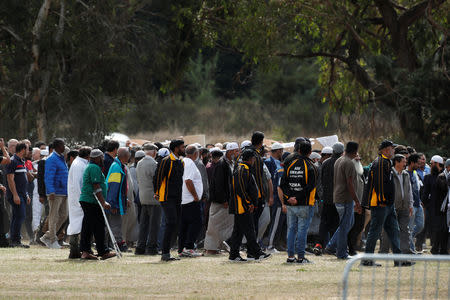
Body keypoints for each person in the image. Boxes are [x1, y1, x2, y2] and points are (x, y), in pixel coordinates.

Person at [362, 140, 413, 267]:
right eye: (391, 148)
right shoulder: (380, 163)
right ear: (385, 150)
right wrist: (382, 201)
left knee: (394, 231)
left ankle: (398, 259)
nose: (393, 150)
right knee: (374, 231)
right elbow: (379, 184)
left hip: (387, 205)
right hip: (381, 204)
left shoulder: (386, 162)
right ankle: (367, 260)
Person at [228, 149, 271, 262]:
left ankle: (234, 255)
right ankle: (256, 253)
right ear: (250, 159)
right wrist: (249, 202)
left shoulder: (244, 168)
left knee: (238, 231)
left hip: (243, 205)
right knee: (250, 230)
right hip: (242, 206)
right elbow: (240, 188)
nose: (254, 161)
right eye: (253, 158)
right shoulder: (243, 169)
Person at [280, 140, 318, 264]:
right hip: (305, 204)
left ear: (299, 151)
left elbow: (283, 184)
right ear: (310, 152)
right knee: (302, 231)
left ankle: (290, 257)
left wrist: (290, 198)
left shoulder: (290, 164)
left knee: (291, 229)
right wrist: (298, 198)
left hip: (291, 204)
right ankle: (301, 258)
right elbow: (310, 187)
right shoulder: (312, 166)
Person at [325, 142, 362, 259]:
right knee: (345, 226)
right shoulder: (349, 163)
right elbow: (350, 183)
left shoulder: (339, 160)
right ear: (355, 151)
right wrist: (356, 200)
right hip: (345, 198)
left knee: (347, 224)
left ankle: (331, 245)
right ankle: (341, 253)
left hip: (338, 197)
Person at [78, 149, 115, 260]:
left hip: (88, 200)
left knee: (88, 226)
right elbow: (96, 186)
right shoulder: (94, 167)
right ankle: (103, 251)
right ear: (97, 158)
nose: (103, 159)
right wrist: (103, 202)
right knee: (99, 226)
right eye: (101, 157)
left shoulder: (91, 166)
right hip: (91, 201)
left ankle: (85, 251)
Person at [154, 139, 185, 261]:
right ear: (176, 148)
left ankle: (168, 251)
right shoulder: (166, 161)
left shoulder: (181, 162)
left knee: (176, 223)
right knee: (171, 222)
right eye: (182, 147)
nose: (183, 149)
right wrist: (156, 192)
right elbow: (158, 177)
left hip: (177, 197)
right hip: (166, 197)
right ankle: (165, 253)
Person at [379, 154, 414, 254]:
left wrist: (410, 204)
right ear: (397, 162)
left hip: (404, 207)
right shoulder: (389, 174)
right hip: (391, 207)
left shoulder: (406, 174)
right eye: (403, 161)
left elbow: (409, 190)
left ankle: (405, 252)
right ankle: (383, 251)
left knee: (405, 230)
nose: (405, 163)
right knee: (387, 230)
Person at [314, 142, 343, 255]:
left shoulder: (325, 163)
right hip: (337, 198)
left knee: (324, 223)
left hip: (326, 199)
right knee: (335, 223)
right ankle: (332, 247)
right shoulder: (341, 162)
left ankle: (319, 245)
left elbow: (320, 181)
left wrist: (322, 196)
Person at [204, 145, 235, 255]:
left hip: (220, 200)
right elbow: (220, 184)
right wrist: (224, 200)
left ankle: (215, 247)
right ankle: (211, 249)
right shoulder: (222, 165)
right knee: (214, 226)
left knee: (218, 226)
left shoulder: (221, 164)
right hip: (220, 201)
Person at [41, 138, 69, 249]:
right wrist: (51, 190)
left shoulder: (61, 158)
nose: (64, 147)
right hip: (55, 192)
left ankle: (47, 236)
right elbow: (48, 176)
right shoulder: (51, 159)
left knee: (63, 215)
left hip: (63, 191)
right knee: (53, 216)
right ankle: (52, 240)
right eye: (63, 145)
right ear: (57, 147)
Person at [178, 145, 204, 257]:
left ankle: (181, 248)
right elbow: (188, 181)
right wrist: (195, 196)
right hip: (190, 199)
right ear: (195, 154)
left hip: (184, 199)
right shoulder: (189, 163)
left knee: (184, 225)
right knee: (196, 224)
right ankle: (188, 247)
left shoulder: (183, 161)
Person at [67, 147, 91, 259]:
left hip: (79, 199)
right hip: (79, 200)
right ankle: (75, 251)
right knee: (77, 225)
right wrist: (81, 200)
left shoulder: (80, 163)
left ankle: (79, 250)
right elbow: (77, 184)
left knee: (79, 225)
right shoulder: (78, 165)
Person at [135, 144, 160, 255]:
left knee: (143, 224)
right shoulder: (154, 164)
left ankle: (140, 247)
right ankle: (151, 248)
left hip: (142, 197)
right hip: (153, 198)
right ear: (154, 152)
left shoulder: (139, 163)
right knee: (154, 225)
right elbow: (157, 181)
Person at [105, 147, 131, 252]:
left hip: (115, 201)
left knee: (114, 224)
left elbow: (120, 188)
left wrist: (125, 199)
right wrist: (113, 204)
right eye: (128, 156)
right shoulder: (116, 167)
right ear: (124, 156)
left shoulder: (119, 165)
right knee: (116, 224)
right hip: (112, 202)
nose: (129, 157)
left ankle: (113, 244)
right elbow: (113, 187)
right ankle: (118, 245)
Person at [5, 142, 30, 248]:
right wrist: (15, 195)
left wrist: (27, 194)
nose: (29, 151)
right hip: (16, 195)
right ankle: (15, 240)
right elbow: (10, 179)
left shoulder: (22, 161)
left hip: (22, 194)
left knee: (17, 216)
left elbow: (23, 180)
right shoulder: (13, 161)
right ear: (23, 149)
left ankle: (14, 240)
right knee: (20, 216)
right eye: (28, 149)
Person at [422, 155, 448, 254]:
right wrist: (426, 204)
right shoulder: (428, 177)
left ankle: (443, 249)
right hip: (433, 208)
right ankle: (435, 248)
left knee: (444, 229)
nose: (430, 165)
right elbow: (425, 193)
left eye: (432, 163)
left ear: (437, 164)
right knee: (436, 229)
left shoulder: (445, 176)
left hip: (445, 207)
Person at [265, 142, 286, 252]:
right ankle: (270, 245)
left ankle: (276, 243)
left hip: (279, 195)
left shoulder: (279, 162)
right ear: (278, 151)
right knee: (275, 222)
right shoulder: (268, 162)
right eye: (281, 151)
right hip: (275, 196)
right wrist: (270, 197)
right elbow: (269, 180)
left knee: (279, 222)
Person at [406, 153, 424, 253]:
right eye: (417, 163)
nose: (419, 165)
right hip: (411, 205)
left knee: (420, 225)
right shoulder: (405, 174)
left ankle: (409, 238)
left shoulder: (415, 173)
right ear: (412, 163)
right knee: (410, 227)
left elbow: (417, 188)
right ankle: (411, 249)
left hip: (418, 204)